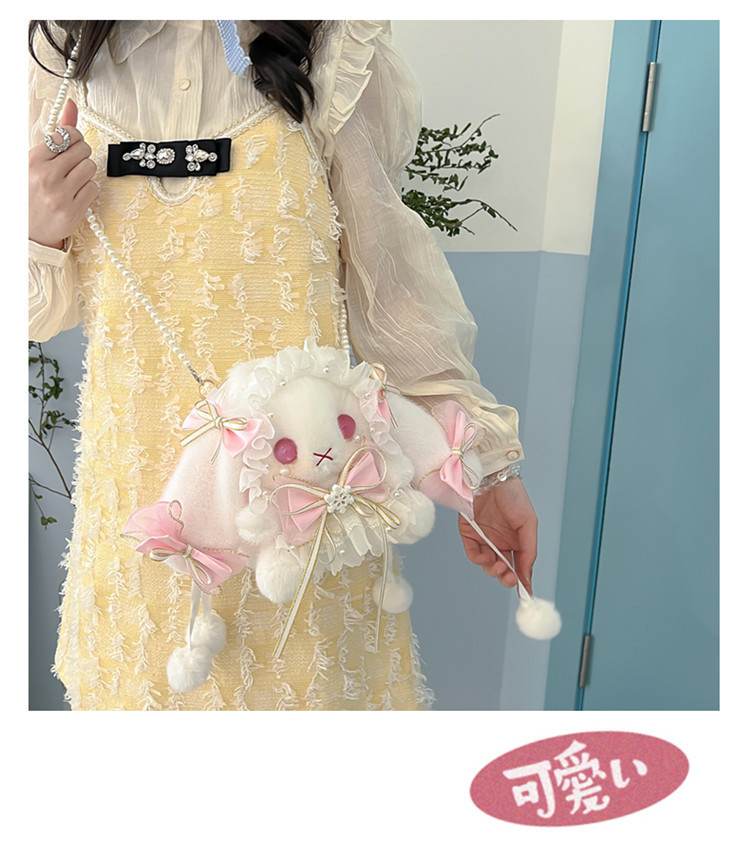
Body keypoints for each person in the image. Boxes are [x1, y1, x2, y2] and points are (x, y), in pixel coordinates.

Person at [28, 20, 538, 710]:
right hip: (137, 527)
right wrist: (32, 227)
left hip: (312, 518)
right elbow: (39, 314)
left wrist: (490, 468)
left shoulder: (334, 46)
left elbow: (395, 295)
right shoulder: (57, 59)